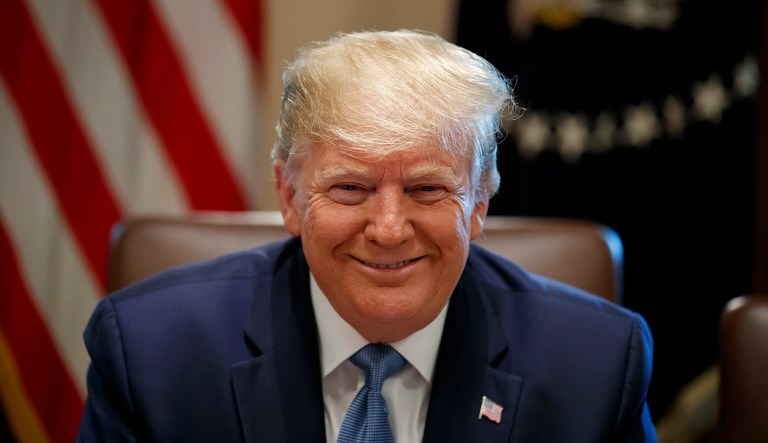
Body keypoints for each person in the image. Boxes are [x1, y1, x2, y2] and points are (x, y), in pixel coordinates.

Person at [76, 29, 657, 442]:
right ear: (289, 196)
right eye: (351, 188)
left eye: (427, 189)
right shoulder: (151, 353)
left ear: (479, 201)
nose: (389, 230)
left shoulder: (596, 364)